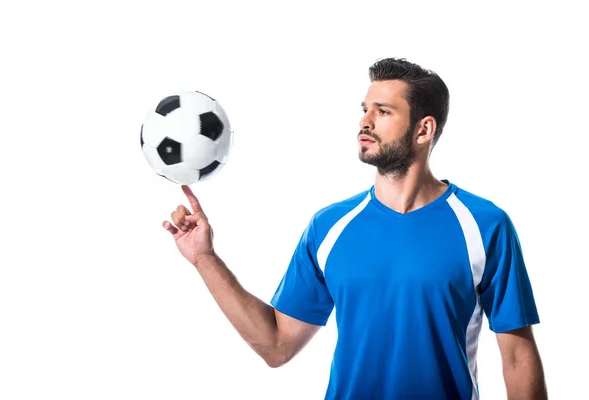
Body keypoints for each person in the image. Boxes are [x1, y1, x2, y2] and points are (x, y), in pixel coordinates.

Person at [162, 57, 548, 399]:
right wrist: (204, 259)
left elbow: (517, 355)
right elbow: (276, 346)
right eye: (364, 109)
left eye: (383, 111)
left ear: (424, 129)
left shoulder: (484, 224)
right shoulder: (329, 226)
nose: (364, 121)